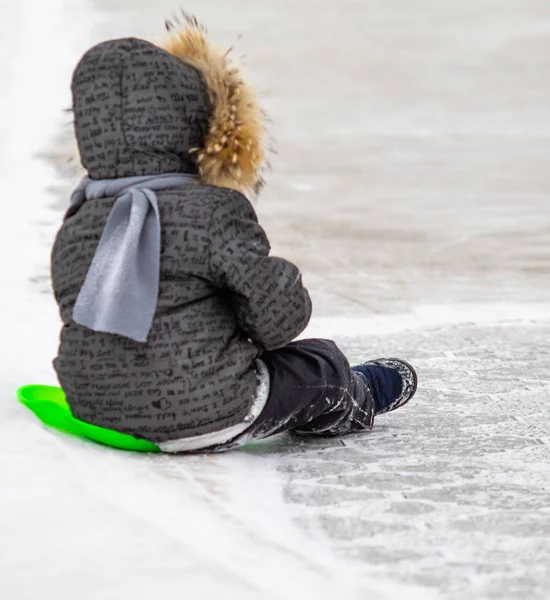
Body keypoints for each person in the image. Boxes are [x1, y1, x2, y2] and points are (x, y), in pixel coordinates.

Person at [51, 14, 417, 453]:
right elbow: (278, 322)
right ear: (193, 121)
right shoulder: (214, 211)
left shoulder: (81, 219)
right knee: (316, 365)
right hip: (205, 410)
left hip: (93, 403)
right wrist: (279, 279)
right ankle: (355, 398)